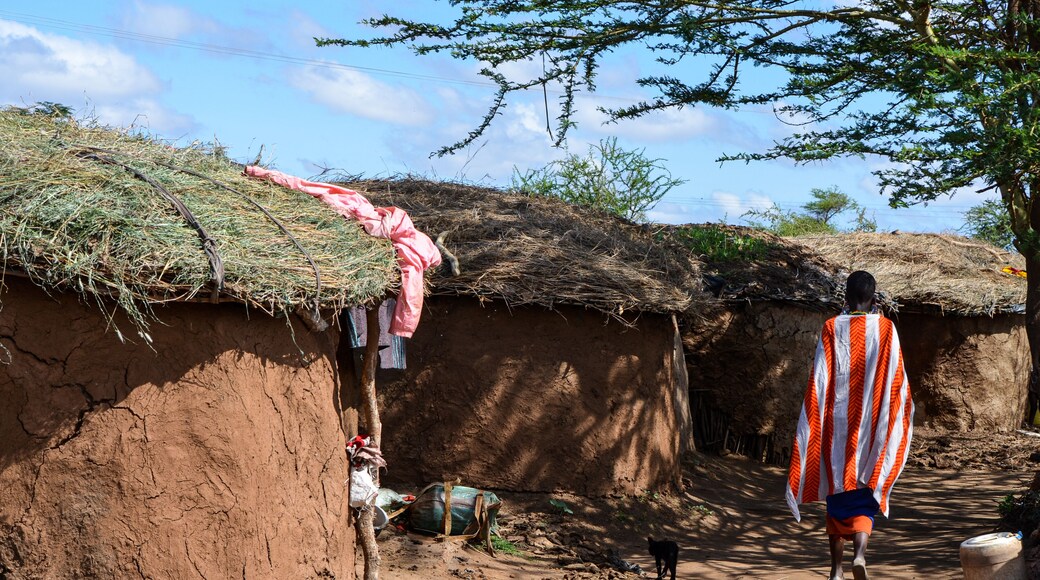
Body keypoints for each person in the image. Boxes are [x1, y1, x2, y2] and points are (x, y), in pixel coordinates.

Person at [786, 271, 914, 580]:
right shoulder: (886, 329)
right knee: (864, 496)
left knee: (837, 495)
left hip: (836, 427)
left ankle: (836, 570)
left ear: (845, 296)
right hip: (872, 427)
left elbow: (820, 375)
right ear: (874, 298)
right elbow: (896, 378)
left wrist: (814, 416)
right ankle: (860, 555)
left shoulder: (831, 327)